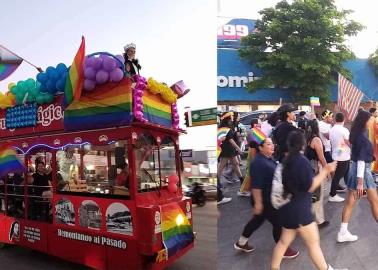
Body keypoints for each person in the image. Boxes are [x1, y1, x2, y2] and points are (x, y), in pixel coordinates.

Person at [270, 131, 342, 270]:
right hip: (300, 211)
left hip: (287, 208)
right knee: (313, 245)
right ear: (303, 144)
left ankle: (274, 268)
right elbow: (309, 186)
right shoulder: (301, 161)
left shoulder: (286, 160)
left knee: (283, 242)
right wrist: (326, 170)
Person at [234, 137, 299, 259]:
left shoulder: (267, 158)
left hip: (268, 197)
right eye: (268, 144)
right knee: (278, 223)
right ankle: (282, 250)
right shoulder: (258, 163)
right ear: (260, 147)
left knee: (257, 221)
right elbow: (256, 185)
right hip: (264, 200)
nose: (272, 146)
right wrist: (258, 203)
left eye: (272, 143)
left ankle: (241, 243)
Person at [337, 109, 378, 243]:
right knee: (374, 201)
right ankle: (342, 232)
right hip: (362, 172)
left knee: (351, 201)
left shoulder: (357, 134)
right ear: (365, 121)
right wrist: (360, 182)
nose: (371, 121)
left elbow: (355, 151)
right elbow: (361, 161)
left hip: (356, 169)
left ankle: (343, 232)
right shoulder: (362, 137)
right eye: (370, 119)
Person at [305, 120, 330, 228]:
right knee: (317, 195)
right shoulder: (316, 139)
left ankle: (310, 217)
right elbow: (321, 157)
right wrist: (327, 170)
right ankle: (319, 220)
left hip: (308, 168)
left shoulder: (306, 139)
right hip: (317, 168)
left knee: (312, 194)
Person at [217, 112, 243, 205]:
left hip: (229, 149)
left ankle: (241, 180)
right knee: (222, 166)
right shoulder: (225, 127)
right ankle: (217, 183)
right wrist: (238, 148)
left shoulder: (228, 126)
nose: (233, 118)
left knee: (235, 164)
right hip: (227, 149)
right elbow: (230, 139)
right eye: (231, 116)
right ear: (227, 118)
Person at [329, 112, 350, 202]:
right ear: (343, 119)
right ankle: (332, 194)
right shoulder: (344, 130)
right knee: (338, 175)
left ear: (335, 119)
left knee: (342, 173)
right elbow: (348, 142)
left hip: (336, 154)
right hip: (343, 156)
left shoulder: (332, 129)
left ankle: (348, 188)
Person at [238, 119, 260, 197]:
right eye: (258, 123)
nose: (260, 124)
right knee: (250, 171)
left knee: (252, 171)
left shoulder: (253, 131)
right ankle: (243, 190)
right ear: (254, 124)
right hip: (253, 151)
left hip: (253, 151)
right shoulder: (252, 132)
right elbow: (253, 143)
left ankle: (247, 189)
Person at [368, 107, 378, 173]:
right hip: (374, 140)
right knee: (375, 155)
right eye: (376, 112)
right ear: (372, 113)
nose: (377, 113)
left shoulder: (367, 119)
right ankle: (374, 169)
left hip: (369, 141)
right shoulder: (374, 120)